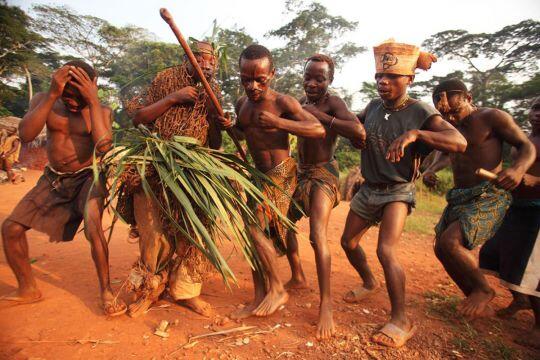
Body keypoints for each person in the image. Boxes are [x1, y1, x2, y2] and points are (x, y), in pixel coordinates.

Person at [340, 40, 467, 348]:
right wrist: (350, 131)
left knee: (386, 250)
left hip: (397, 190)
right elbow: (354, 126)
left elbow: (459, 142)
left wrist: (416, 134)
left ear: (409, 79)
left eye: (392, 77)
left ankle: (401, 319)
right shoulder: (372, 106)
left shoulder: (420, 112)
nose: (383, 82)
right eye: (379, 76)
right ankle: (369, 282)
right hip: (368, 188)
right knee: (348, 242)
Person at [0, 61, 124, 315]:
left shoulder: (102, 110)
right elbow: (25, 135)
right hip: (53, 179)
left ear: (92, 88)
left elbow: (103, 147)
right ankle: (28, 289)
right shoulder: (45, 100)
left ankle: (107, 292)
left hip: (88, 178)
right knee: (11, 228)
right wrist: (54, 94)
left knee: (93, 227)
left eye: (79, 97)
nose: (73, 103)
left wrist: (91, 102)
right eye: (67, 96)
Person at [217, 44, 325, 319]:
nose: (252, 86)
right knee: (251, 235)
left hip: (281, 174)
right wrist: (231, 127)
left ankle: (277, 289)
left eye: (259, 80)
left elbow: (317, 128)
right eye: (245, 79)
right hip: (256, 175)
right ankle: (258, 296)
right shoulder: (241, 104)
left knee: (254, 230)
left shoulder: (283, 103)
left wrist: (281, 124)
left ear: (272, 74)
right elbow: (245, 134)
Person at [123, 40, 225, 318]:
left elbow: (215, 143)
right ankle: (149, 290)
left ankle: (185, 292)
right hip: (155, 162)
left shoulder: (213, 92)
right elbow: (139, 119)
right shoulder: (164, 79)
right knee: (152, 231)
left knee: (196, 229)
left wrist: (219, 122)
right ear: (186, 58)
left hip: (192, 168)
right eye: (200, 59)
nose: (206, 65)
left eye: (211, 61)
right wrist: (173, 98)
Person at [423, 79, 535, 319]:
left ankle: (484, 290)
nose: (450, 118)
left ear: (469, 97)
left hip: (489, 193)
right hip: (460, 195)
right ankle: (474, 298)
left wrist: (517, 170)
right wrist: (432, 169)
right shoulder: (446, 125)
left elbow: (526, 146)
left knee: (451, 242)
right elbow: (444, 151)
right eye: (445, 114)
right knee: (441, 248)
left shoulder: (492, 117)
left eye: (454, 111)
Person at [284, 54, 365, 339]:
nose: (312, 83)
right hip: (299, 172)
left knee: (318, 235)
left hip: (323, 174)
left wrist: (323, 117)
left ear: (330, 80)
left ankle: (326, 304)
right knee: (278, 222)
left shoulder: (334, 103)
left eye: (320, 78)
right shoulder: (297, 103)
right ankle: (297, 275)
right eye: (308, 77)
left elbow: (357, 130)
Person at [478, 96, 540, 349]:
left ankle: (539, 326)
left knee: (530, 270)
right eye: (536, 108)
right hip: (516, 208)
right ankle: (519, 299)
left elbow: (529, 177)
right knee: (496, 256)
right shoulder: (523, 142)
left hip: (537, 212)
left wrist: (534, 182)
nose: (538, 114)